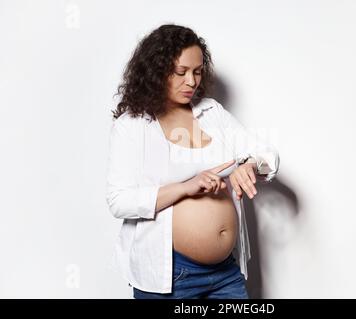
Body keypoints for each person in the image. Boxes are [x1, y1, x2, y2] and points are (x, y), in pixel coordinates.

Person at [106, 24, 280, 299]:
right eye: (181, 72)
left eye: (197, 72)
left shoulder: (211, 112)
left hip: (225, 273)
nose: (191, 81)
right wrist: (186, 187)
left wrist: (249, 164)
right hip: (171, 277)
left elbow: (266, 154)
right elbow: (119, 201)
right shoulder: (133, 125)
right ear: (156, 71)